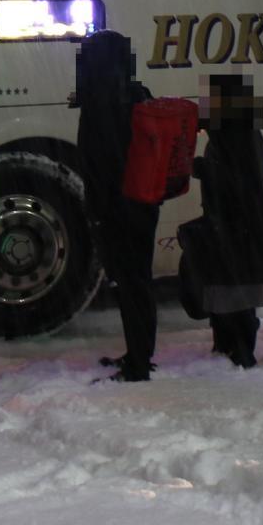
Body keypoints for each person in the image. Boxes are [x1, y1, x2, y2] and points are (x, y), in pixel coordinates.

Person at [74, 30, 160, 382]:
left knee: (130, 282)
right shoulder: (139, 94)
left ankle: (138, 363)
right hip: (143, 200)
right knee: (139, 279)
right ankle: (140, 352)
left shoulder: (100, 103)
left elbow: (97, 161)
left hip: (116, 205)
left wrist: (97, 207)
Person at [186, 74, 263, 368]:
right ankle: (232, 348)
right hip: (236, 228)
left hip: (234, 229)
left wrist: (204, 169)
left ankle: (237, 353)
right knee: (231, 292)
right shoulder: (241, 133)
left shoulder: (235, 137)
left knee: (232, 293)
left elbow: (240, 183)